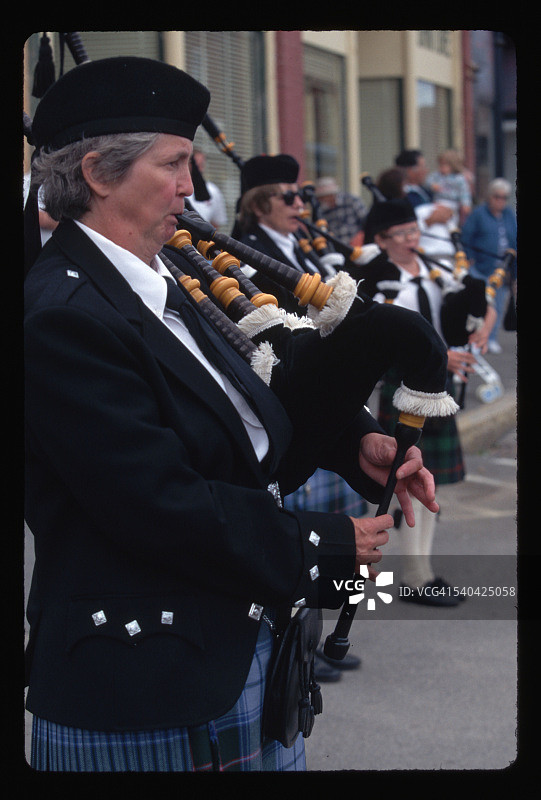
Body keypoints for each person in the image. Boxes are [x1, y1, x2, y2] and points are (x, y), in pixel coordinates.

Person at [24, 57, 439, 773]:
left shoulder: (159, 277)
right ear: (96, 174)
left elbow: (236, 400)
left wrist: (357, 444)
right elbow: (152, 501)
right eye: (173, 164)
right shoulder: (63, 316)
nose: (192, 187)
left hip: (230, 652)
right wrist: (324, 546)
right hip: (146, 683)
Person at [237, 154, 366, 680]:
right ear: (258, 204)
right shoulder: (245, 256)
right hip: (286, 406)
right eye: (288, 197)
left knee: (338, 531)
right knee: (300, 536)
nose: (300, 204)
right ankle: (301, 648)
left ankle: (326, 634)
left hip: (323, 400)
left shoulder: (300, 247)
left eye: (301, 196)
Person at [356, 198, 494, 605]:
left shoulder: (435, 272)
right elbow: (378, 340)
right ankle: (391, 574)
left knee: (425, 483)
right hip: (403, 385)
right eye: (403, 234)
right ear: (381, 240)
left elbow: (459, 315)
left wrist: (478, 324)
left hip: (437, 382)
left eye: (414, 231)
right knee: (397, 482)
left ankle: (420, 573)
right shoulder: (375, 278)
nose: (413, 239)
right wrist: (438, 355)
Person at [460, 178, 517, 353]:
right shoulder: (478, 214)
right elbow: (466, 237)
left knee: (497, 305)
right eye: (497, 197)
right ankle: (474, 339)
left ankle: (490, 338)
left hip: (501, 269)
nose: (500, 201)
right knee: (479, 305)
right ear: (489, 196)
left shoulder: (508, 214)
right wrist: (469, 258)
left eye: (504, 197)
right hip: (480, 267)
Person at [394, 149, 457, 264]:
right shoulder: (401, 197)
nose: (426, 171)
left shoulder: (427, 192)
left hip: (447, 252)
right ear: (410, 171)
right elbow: (400, 230)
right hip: (427, 256)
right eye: (423, 167)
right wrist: (430, 220)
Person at [313, 176, 367, 248]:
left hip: (358, 246)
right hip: (337, 249)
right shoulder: (321, 210)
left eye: (323, 197)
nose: (322, 200)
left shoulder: (351, 200)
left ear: (332, 194)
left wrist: (360, 237)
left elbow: (366, 221)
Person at [426, 149, 472, 227]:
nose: (441, 168)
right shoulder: (437, 176)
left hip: (452, 204)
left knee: (450, 223)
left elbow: (464, 192)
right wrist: (432, 185)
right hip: (437, 202)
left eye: (444, 165)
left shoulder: (459, 179)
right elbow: (427, 182)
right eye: (440, 165)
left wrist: (466, 204)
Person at [185, 148, 228, 230]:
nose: (199, 169)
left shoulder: (212, 190)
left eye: (201, 165)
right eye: (195, 164)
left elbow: (215, 223)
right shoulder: (177, 188)